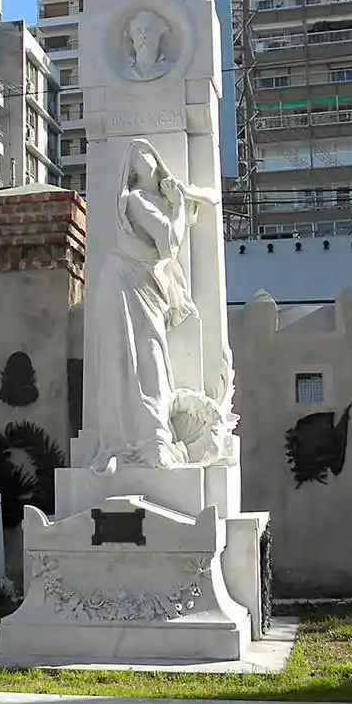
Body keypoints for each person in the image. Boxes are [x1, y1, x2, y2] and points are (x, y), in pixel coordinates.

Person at [87, 138, 222, 473]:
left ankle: (155, 440)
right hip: (122, 282)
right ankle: (129, 444)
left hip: (146, 287)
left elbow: (206, 203)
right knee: (122, 363)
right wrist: (177, 206)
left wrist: (182, 200)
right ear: (131, 170)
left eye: (147, 152)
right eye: (137, 156)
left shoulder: (156, 199)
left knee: (152, 360)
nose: (144, 158)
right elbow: (169, 243)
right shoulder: (135, 201)